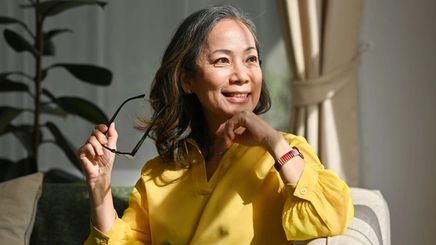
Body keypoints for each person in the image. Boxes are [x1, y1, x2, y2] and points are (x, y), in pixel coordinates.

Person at [80, 5, 353, 245]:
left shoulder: (286, 154)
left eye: (251, 59)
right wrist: (99, 184)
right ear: (187, 80)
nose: (241, 75)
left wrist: (273, 141)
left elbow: (329, 220)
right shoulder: (158, 173)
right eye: (222, 60)